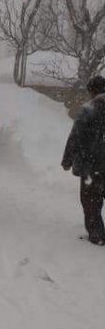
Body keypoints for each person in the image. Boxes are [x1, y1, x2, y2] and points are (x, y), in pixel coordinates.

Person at [61, 75, 105, 245]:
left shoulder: (88, 110)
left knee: (91, 203)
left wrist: (67, 159)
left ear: (92, 91)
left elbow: (75, 136)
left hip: (92, 167)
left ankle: (97, 236)